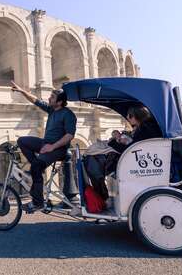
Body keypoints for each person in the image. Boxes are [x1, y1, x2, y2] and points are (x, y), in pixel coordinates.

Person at [11, 81, 77, 213]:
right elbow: (36, 100)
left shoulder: (68, 114)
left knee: (35, 167)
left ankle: (38, 202)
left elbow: (69, 136)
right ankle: (36, 167)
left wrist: (52, 147)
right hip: (46, 144)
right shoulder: (52, 110)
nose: (49, 98)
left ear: (59, 102)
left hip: (58, 149)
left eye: (52, 97)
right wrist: (21, 91)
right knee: (22, 141)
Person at [86, 105, 162, 201]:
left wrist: (113, 141)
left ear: (136, 116)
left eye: (129, 116)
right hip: (136, 157)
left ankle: (101, 196)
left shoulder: (145, 129)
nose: (128, 119)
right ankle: (102, 195)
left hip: (135, 159)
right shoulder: (145, 127)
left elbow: (129, 148)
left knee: (94, 161)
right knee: (95, 161)